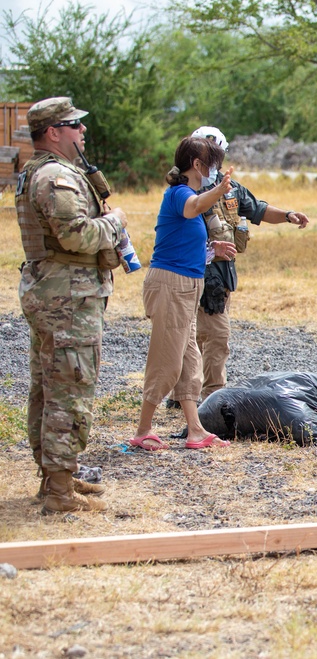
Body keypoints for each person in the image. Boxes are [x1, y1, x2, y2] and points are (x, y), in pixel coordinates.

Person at [16, 96, 126, 513]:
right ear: (53, 132)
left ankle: (56, 477)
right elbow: (76, 235)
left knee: (49, 385)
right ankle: (59, 492)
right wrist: (116, 222)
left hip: (56, 292)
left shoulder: (40, 173)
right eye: (74, 125)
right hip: (68, 297)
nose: (82, 131)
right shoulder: (55, 177)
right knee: (69, 388)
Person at [166, 126, 310, 407]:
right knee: (210, 337)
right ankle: (208, 397)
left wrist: (288, 215)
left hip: (221, 274)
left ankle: (186, 395)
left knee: (200, 337)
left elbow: (256, 208)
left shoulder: (229, 187)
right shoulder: (185, 189)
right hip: (196, 271)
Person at [130, 136, 238, 450]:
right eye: (212, 164)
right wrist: (218, 191)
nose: (214, 171)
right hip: (171, 286)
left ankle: (195, 430)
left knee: (189, 361)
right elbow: (192, 210)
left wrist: (210, 248)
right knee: (167, 359)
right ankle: (142, 430)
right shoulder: (180, 194)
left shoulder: (189, 194)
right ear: (196, 165)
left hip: (187, 286)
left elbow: (179, 242)